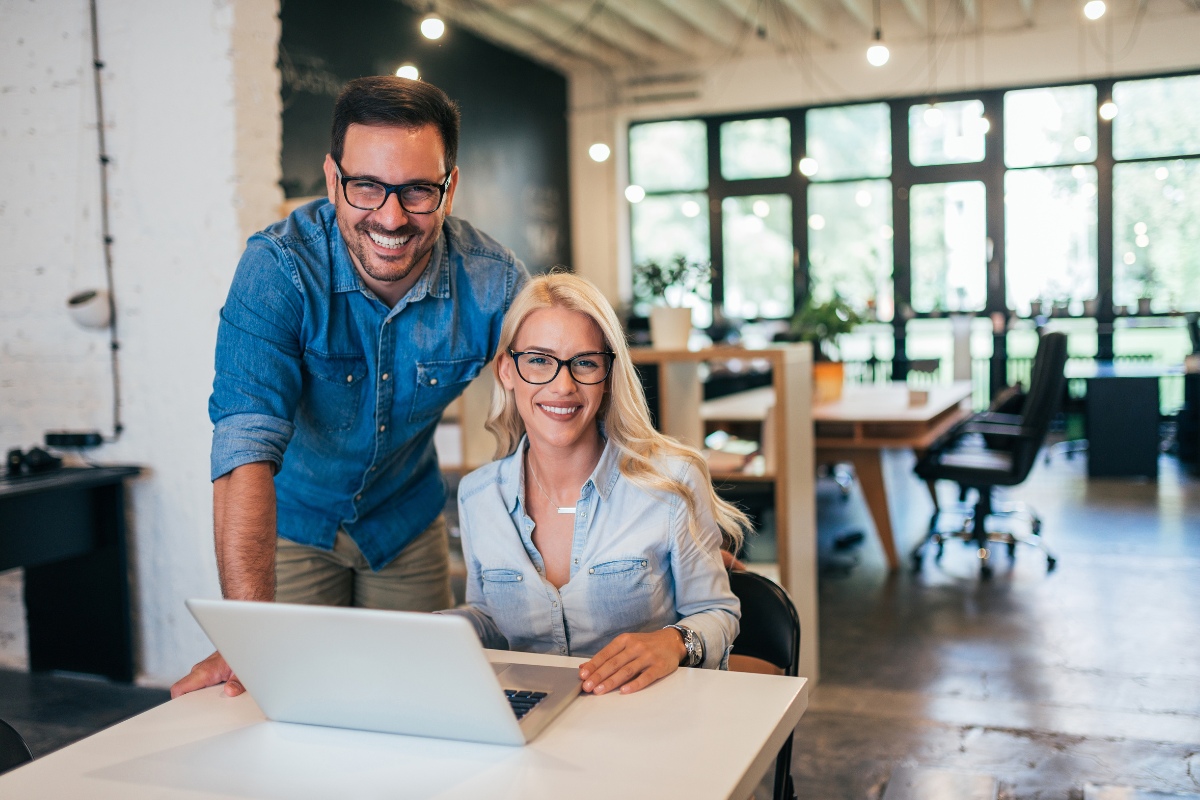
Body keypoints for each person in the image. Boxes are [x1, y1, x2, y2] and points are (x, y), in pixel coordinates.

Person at [171, 76, 527, 698]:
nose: (391, 217)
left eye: (418, 190)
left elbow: (570, 403)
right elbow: (243, 446)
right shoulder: (278, 269)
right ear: (333, 179)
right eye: (366, 186)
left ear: (449, 187)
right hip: (292, 523)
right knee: (288, 704)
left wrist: (668, 523)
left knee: (421, 703)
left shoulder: (492, 282)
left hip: (405, 521)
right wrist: (247, 634)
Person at [442, 272, 749, 695]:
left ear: (607, 376)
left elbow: (717, 611)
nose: (563, 385)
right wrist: (436, 628)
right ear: (507, 371)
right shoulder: (478, 496)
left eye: (585, 362)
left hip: (645, 720)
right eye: (539, 360)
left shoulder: (671, 482)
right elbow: (491, 620)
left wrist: (674, 642)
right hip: (531, 719)